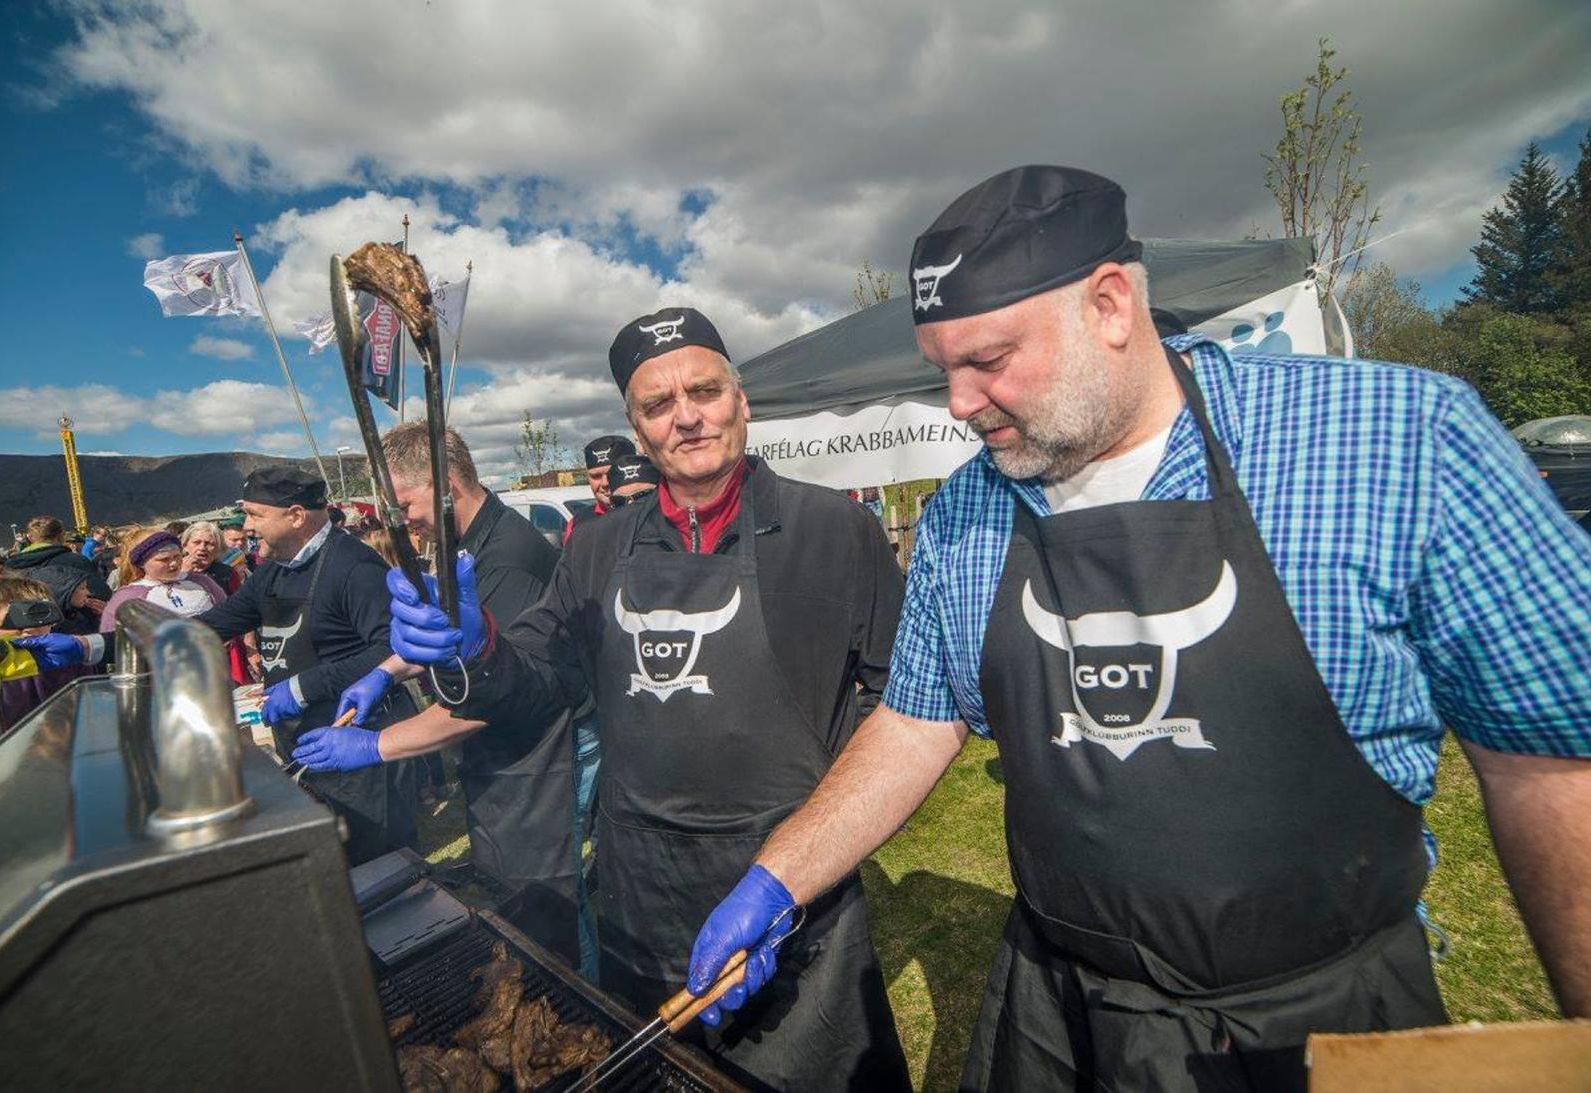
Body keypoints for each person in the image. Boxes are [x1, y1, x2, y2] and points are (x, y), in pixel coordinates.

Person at [682, 165, 1591, 1090]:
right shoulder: (965, 514)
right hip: (1057, 1009)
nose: (958, 402)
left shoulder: (1395, 442)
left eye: (988, 360)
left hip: (1322, 1023)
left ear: (1111, 305)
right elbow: (918, 720)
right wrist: (780, 878)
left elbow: (1549, 765)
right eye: (942, 369)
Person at [355, 306, 912, 1091]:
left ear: (740, 400)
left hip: (793, 890)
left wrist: (820, 825)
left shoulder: (838, 532)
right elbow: (541, 678)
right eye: (658, 405)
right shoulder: (597, 546)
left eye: (705, 391)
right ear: (636, 426)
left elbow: (899, 704)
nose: (687, 416)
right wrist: (474, 645)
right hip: (640, 893)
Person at [293, 421, 583, 964]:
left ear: (444, 483)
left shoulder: (507, 558)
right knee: (500, 884)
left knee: (541, 913)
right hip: (499, 759)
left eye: (405, 505)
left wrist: (376, 746)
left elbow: (490, 698)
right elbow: (453, 638)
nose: (403, 522)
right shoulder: (465, 543)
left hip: (533, 758)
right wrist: (386, 671)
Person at [197, 467, 418, 864]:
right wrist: (98, 644)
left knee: (381, 862)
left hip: (358, 743)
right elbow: (218, 622)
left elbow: (393, 649)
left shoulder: (355, 566)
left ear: (296, 516)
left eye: (254, 514)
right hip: (303, 742)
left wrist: (301, 688)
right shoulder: (272, 571)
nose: (246, 526)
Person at [0, 575, 95, 731]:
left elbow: (84, 714)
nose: (29, 628)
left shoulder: (67, 654)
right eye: (14, 618)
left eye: (36, 615)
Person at [99, 528, 227, 630]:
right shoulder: (127, 597)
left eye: (177, 556)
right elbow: (113, 641)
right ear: (142, 562)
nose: (173, 564)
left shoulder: (202, 582)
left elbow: (227, 615)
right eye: (164, 559)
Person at [182, 520, 257, 685]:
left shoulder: (226, 573)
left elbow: (244, 608)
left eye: (209, 544)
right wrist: (182, 574)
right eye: (197, 542)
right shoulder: (172, 572)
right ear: (185, 545)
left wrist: (250, 646)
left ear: (217, 549)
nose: (202, 548)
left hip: (227, 643)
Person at [3, 515, 112, 601]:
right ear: (61, 535)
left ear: (30, 538)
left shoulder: (11, 566)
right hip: (70, 625)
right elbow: (102, 593)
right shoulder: (75, 561)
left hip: (26, 625)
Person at [562, 433, 636, 544]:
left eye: (612, 473)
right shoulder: (578, 523)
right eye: (596, 476)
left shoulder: (655, 513)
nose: (605, 483)